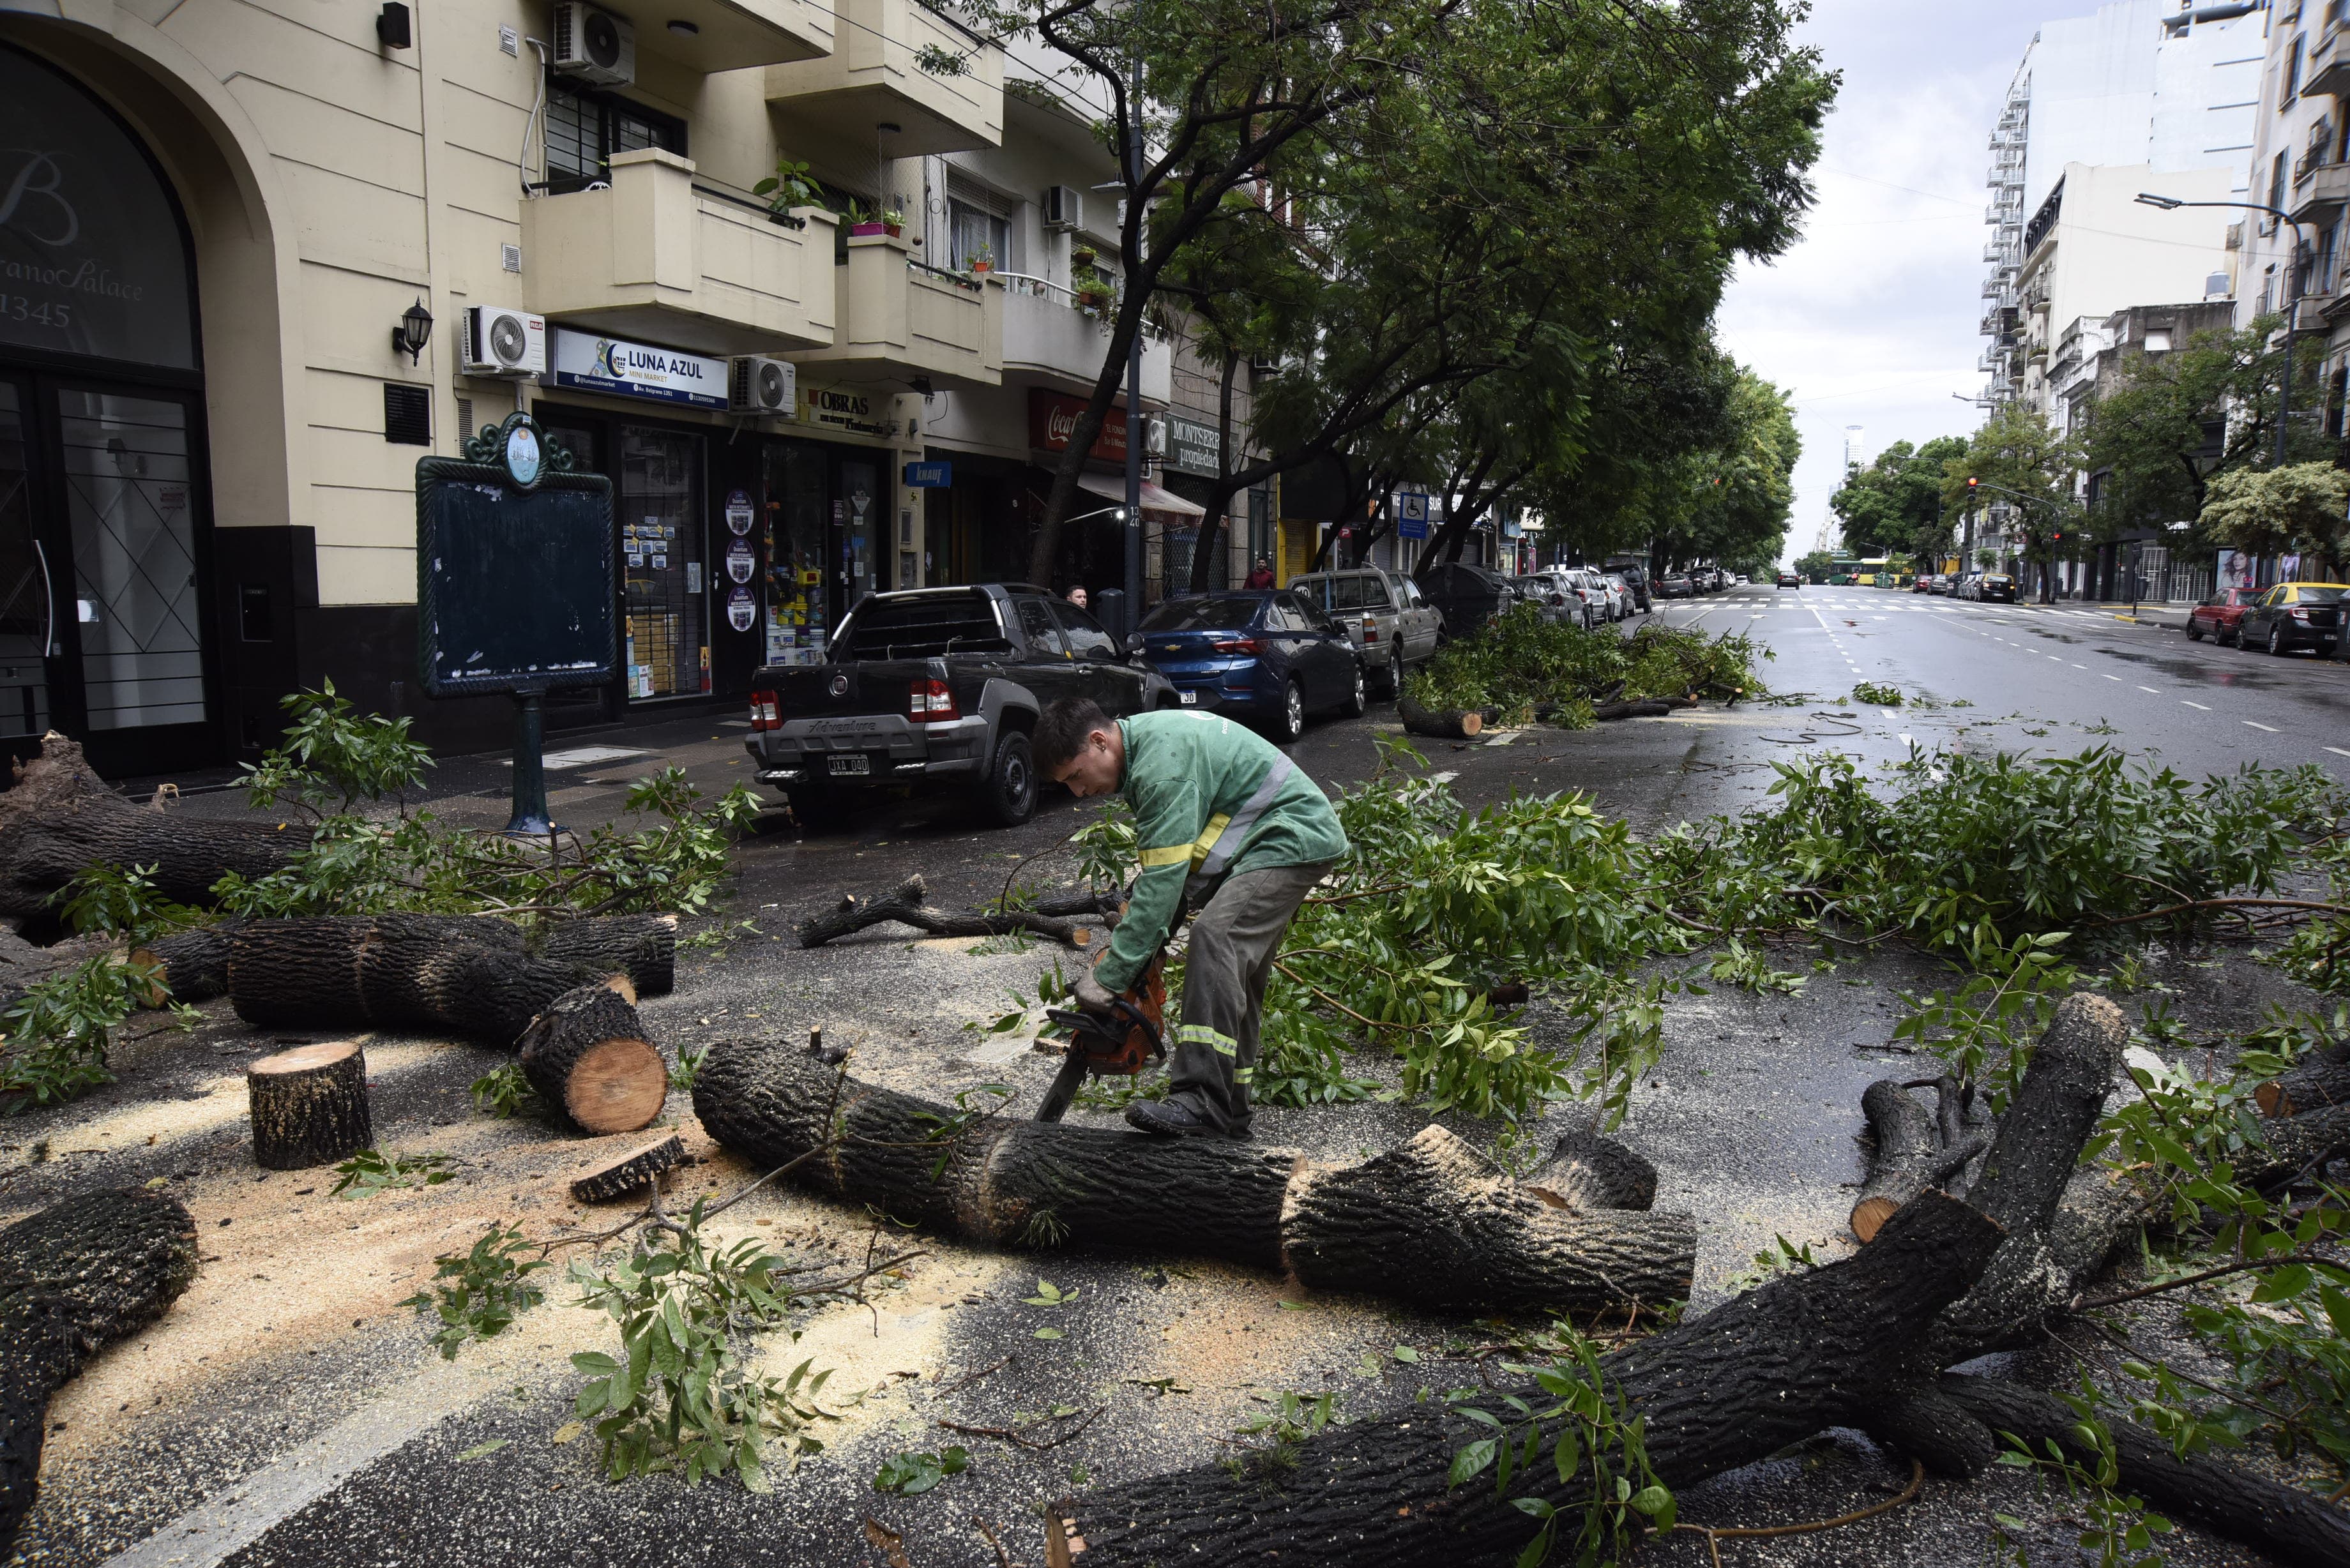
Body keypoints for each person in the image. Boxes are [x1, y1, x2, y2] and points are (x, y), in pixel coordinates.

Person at [1034, 697, 1347, 1139]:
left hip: (1288, 837)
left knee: (1214, 939)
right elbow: (1178, 866)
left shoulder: (1164, 766)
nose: (1079, 793)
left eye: (1077, 777)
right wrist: (1142, 951)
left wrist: (1113, 975)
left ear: (1099, 742)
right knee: (1238, 971)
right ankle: (1231, 1109)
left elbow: (1164, 883)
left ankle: (1202, 1100)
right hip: (1269, 841)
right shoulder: (1151, 747)